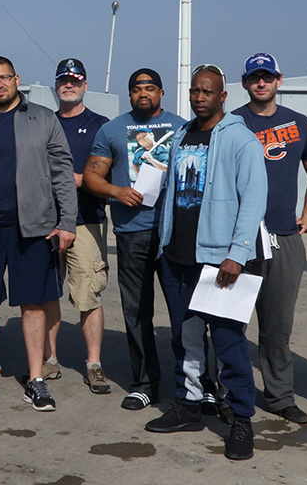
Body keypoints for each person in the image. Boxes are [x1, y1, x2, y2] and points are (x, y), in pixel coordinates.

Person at [147, 64, 266, 461]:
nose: (199, 97)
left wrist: (236, 253)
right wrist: (163, 245)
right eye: (195, 91)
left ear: (222, 96)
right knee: (185, 337)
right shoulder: (181, 134)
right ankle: (189, 405)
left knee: (230, 343)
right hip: (177, 256)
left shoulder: (240, 140)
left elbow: (252, 201)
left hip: (220, 261)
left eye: (207, 92)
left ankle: (242, 421)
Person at [0, 56, 77, 412]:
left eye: (3, 78)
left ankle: (36, 379)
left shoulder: (43, 119)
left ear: (16, 79)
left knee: (33, 303)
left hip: (34, 228)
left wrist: (67, 221)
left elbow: (62, 173)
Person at [83, 68, 186, 411]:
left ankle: (196, 383)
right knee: (136, 311)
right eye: (137, 88)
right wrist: (116, 191)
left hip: (175, 232)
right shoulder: (112, 129)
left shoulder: (182, 126)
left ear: (161, 92)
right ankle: (145, 383)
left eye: (150, 88)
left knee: (185, 313)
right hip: (132, 233)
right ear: (129, 94)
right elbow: (91, 176)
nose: (144, 93)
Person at [231, 53, 307, 425]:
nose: (262, 83)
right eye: (255, 78)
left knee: (277, 326)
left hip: (284, 237)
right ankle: (231, 393)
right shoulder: (232, 122)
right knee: (231, 322)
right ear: (245, 82)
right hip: (239, 239)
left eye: (268, 77)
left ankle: (280, 396)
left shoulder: (299, 124)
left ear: (279, 81)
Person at [43, 58, 111, 393]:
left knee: (89, 296)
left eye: (74, 80)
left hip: (86, 222)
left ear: (85, 85)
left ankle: (94, 364)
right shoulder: (43, 122)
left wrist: (80, 180)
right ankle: (49, 359)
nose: (68, 85)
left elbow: (111, 175)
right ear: (56, 86)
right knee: (46, 294)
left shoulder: (102, 125)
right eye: (63, 80)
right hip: (46, 223)